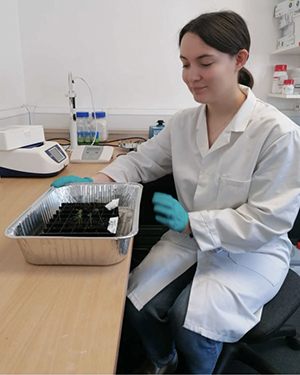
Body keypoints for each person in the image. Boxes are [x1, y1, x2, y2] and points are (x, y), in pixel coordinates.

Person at [52, 11, 300, 374]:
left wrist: (191, 224)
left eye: (205, 63)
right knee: (138, 304)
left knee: (192, 322)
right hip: (189, 241)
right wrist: (95, 184)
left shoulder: (277, 133)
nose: (191, 76)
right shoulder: (184, 122)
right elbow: (140, 162)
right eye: (184, 64)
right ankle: (163, 362)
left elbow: (267, 220)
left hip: (253, 251)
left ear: (240, 59)